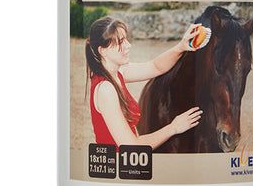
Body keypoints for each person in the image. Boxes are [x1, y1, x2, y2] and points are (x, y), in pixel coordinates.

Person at [85, 16, 202, 148]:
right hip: (118, 160)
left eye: (126, 40)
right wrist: (174, 128)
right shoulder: (105, 89)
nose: (128, 45)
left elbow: (155, 67)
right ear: (103, 51)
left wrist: (181, 47)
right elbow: (130, 146)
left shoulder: (118, 72)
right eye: (120, 42)